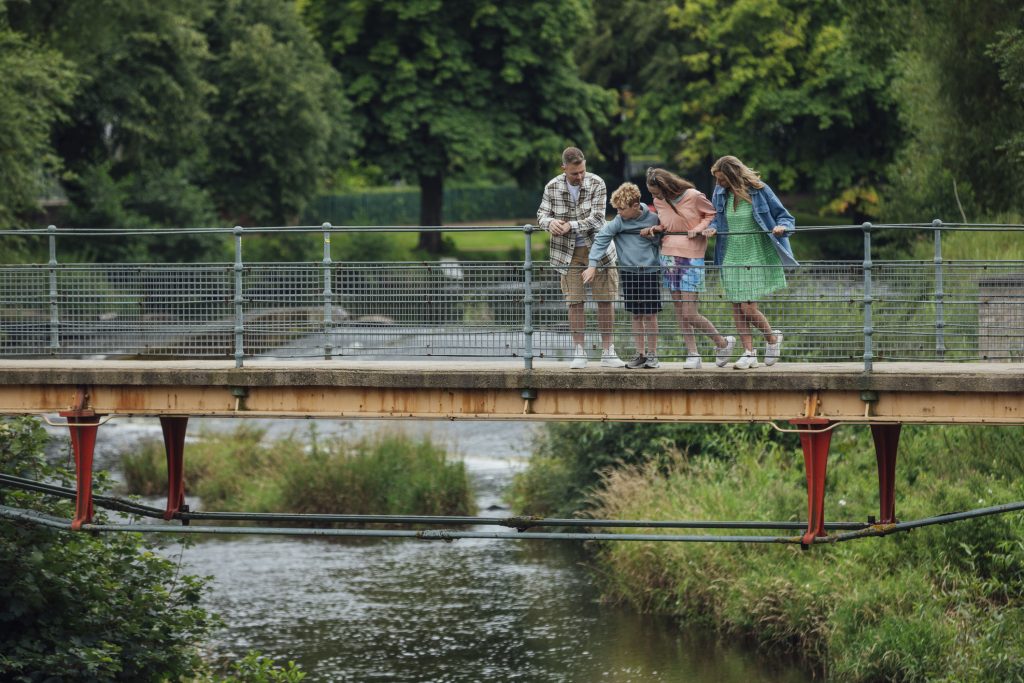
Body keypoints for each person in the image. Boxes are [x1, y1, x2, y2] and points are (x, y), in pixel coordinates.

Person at [537, 147, 625, 369]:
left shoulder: (597, 183)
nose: (579, 177)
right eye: (574, 173)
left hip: (599, 249)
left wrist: (570, 225)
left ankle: (608, 351)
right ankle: (579, 351)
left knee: (606, 300)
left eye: (582, 171)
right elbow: (541, 215)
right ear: (563, 168)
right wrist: (550, 223)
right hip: (567, 253)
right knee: (574, 301)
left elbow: (597, 218)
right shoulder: (552, 186)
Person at [709, 155, 798, 370]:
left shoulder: (759, 190)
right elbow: (714, 217)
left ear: (732, 176)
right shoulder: (720, 193)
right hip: (730, 254)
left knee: (748, 307)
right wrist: (712, 227)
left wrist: (782, 227)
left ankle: (772, 339)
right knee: (737, 307)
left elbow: (785, 217)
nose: (718, 184)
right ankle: (748, 352)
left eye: (721, 179)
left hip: (755, 253)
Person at [644, 167, 735, 369]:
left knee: (689, 312)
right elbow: (666, 222)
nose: (655, 196)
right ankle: (693, 353)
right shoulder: (659, 201)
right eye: (652, 193)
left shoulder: (693, 196)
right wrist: (656, 228)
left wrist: (698, 229)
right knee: (678, 309)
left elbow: (712, 215)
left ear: (667, 186)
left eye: (656, 192)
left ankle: (722, 343)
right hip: (668, 256)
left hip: (691, 257)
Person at [582, 183, 662, 369]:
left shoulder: (653, 219)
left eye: (621, 209)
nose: (618, 212)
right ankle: (640, 354)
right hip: (628, 273)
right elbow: (601, 239)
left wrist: (653, 234)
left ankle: (653, 355)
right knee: (636, 315)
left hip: (649, 272)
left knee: (650, 315)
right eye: (616, 208)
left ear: (635, 206)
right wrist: (592, 264)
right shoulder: (619, 221)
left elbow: (661, 240)